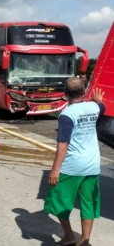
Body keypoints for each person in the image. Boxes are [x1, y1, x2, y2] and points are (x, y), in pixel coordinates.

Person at [44, 77, 105, 246]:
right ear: (84, 92)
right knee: (88, 204)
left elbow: (63, 143)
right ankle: (85, 240)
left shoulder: (66, 115)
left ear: (65, 94)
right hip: (92, 165)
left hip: (72, 167)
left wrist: (55, 168)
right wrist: (97, 100)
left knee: (58, 202)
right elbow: (102, 105)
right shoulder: (95, 107)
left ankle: (70, 236)